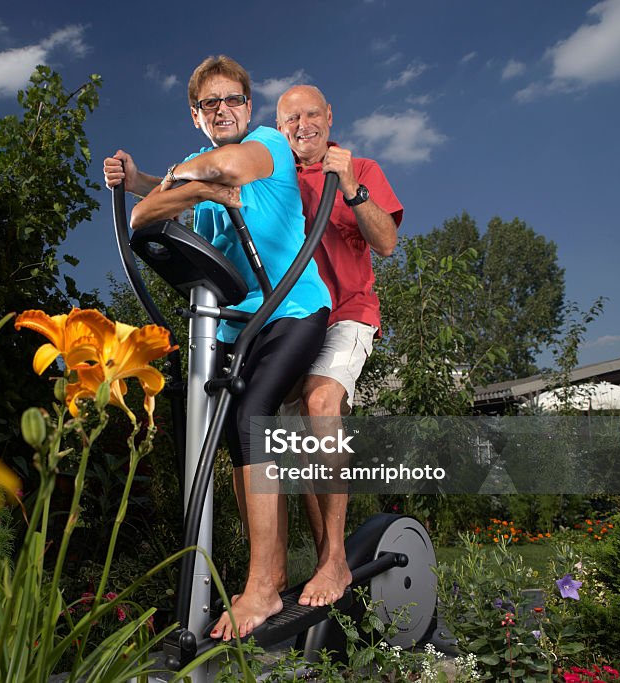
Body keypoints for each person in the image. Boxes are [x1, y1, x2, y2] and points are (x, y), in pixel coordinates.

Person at [103, 56, 332, 641]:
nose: (224, 110)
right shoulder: (203, 191)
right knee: (231, 433)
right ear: (196, 115)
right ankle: (271, 569)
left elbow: (231, 165)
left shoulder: (268, 146)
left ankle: (261, 586)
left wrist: (181, 178)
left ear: (249, 109)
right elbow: (145, 216)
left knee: (253, 415)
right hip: (236, 324)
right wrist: (178, 185)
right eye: (211, 104)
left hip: (293, 306)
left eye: (232, 100)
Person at [274, 85, 403, 608]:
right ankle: (329, 556)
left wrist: (350, 185)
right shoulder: (274, 177)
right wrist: (145, 182)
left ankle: (334, 562)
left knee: (321, 404)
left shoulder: (362, 168)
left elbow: (387, 243)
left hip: (348, 313)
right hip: (292, 321)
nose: (302, 124)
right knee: (294, 442)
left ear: (330, 116)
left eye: (311, 114)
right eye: (290, 118)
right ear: (279, 128)